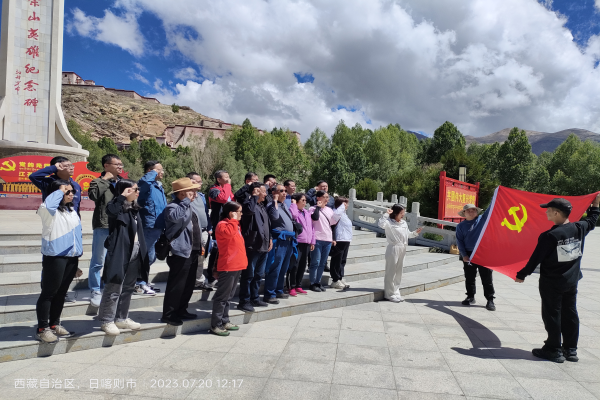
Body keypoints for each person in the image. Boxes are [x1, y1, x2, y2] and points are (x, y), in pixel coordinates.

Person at [516, 195, 600, 363]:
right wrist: (596, 205)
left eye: (548, 210)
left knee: (552, 314)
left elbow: (536, 258)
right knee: (570, 313)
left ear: (556, 213)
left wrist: (522, 274)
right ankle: (570, 349)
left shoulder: (550, 236)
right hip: (571, 281)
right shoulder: (579, 227)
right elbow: (591, 220)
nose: (546, 212)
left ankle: (553, 349)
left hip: (552, 283)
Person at [98, 179, 148, 335]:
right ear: (125, 191)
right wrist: (121, 197)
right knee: (113, 287)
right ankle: (107, 320)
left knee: (128, 288)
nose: (138, 192)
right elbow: (111, 211)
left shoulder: (134, 209)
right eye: (134, 189)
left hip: (135, 251)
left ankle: (121, 318)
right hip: (120, 252)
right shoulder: (117, 207)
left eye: (138, 189)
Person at [35, 180, 82, 343]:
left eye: (72, 191)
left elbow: (75, 236)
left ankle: (54, 324)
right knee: (49, 293)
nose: (71, 194)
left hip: (71, 257)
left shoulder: (71, 211)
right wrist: (60, 190)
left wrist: (76, 260)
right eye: (66, 191)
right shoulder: (48, 211)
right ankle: (42, 329)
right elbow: (49, 205)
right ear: (56, 193)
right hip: (55, 257)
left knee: (61, 293)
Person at [30, 157, 82, 304]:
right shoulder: (49, 182)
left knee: (69, 262)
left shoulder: (75, 185)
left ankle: (61, 293)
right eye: (66, 166)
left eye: (72, 165)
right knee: (52, 263)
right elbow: (33, 176)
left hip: (72, 226)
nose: (71, 167)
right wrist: (54, 168)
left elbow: (76, 208)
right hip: (55, 225)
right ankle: (48, 293)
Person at [161, 177, 202, 326]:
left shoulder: (190, 206)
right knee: (177, 285)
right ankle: (169, 314)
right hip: (180, 251)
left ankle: (182, 310)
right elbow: (175, 218)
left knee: (188, 284)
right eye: (192, 191)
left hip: (193, 250)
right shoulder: (172, 207)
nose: (195, 193)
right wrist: (185, 201)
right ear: (182, 193)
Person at [87, 154, 123, 307]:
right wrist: (104, 180)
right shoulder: (97, 182)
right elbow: (93, 196)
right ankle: (95, 290)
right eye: (117, 164)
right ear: (106, 166)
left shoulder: (122, 182)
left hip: (119, 225)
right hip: (103, 225)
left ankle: (110, 288)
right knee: (98, 261)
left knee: (114, 260)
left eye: (121, 164)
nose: (120, 166)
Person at [211, 201, 246, 336]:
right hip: (228, 265)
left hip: (237, 264)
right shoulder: (223, 225)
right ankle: (216, 324)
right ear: (232, 213)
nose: (241, 214)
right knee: (222, 296)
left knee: (229, 296)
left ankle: (225, 320)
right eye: (239, 211)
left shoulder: (234, 225)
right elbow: (229, 234)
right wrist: (233, 220)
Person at [238, 183, 272, 312]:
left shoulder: (262, 206)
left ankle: (255, 297)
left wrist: (270, 238)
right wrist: (253, 196)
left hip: (263, 245)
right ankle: (244, 301)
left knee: (258, 275)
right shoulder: (248, 203)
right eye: (263, 192)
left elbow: (267, 224)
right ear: (256, 191)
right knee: (248, 275)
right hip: (252, 245)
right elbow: (249, 211)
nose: (265, 194)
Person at [378, 204, 423, 302]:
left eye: (404, 212)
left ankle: (396, 292)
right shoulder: (389, 222)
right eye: (402, 213)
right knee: (391, 271)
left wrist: (415, 233)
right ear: (396, 213)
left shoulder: (403, 223)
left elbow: (408, 235)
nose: (403, 214)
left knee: (399, 272)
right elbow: (381, 224)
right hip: (393, 248)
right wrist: (386, 214)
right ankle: (389, 294)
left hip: (403, 247)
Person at [456, 204, 496, 311]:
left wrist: (497, 195)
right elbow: (459, 242)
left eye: (473, 210)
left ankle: (490, 299)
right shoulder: (460, 226)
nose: (471, 212)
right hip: (469, 254)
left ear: (477, 212)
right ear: (464, 213)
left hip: (484, 253)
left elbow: (491, 208)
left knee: (487, 277)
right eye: (468, 211)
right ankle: (470, 296)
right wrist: (464, 255)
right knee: (469, 277)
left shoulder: (482, 219)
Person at [137, 160, 168, 296]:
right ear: (150, 171)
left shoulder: (158, 186)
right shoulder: (146, 185)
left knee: (151, 257)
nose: (162, 172)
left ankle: (143, 281)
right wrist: (153, 173)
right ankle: (138, 283)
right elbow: (143, 182)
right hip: (150, 225)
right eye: (159, 170)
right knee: (145, 256)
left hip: (158, 225)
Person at [264, 184, 296, 303]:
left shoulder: (284, 205)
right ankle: (269, 293)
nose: (284, 193)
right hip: (279, 240)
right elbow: (275, 216)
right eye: (281, 191)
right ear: (274, 193)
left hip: (288, 240)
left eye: (285, 191)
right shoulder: (271, 205)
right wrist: (275, 201)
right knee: (275, 267)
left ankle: (278, 290)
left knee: (283, 267)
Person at [308, 190, 341, 292]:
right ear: (318, 198)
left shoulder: (329, 210)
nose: (327, 199)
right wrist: (318, 207)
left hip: (327, 239)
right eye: (325, 197)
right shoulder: (312, 209)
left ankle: (318, 282)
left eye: (328, 197)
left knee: (322, 263)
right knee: (315, 262)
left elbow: (333, 224)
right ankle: (312, 283)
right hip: (317, 238)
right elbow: (314, 218)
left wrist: (333, 238)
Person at [206, 170, 234, 287]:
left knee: (226, 251)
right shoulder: (214, 190)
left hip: (229, 224)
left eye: (228, 176)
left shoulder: (227, 189)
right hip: (218, 225)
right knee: (216, 251)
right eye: (225, 177)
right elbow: (223, 198)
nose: (228, 179)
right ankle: (211, 276)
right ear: (218, 179)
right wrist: (227, 185)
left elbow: (232, 201)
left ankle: (222, 275)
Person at [186, 172, 213, 291]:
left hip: (204, 231)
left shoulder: (201, 196)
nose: (201, 183)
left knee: (202, 257)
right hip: (192, 231)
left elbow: (206, 213)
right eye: (198, 181)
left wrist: (209, 227)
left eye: (201, 181)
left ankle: (198, 280)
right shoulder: (185, 196)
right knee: (192, 257)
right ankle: (189, 280)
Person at [288, 192, 314, 295]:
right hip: (297, 242)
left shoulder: (306, 212)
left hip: (306, 242)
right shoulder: (293, 210)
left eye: (305, 200)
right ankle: (291, 286)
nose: (304, 202)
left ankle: (298, 285)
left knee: (303, 265)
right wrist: (293, 204)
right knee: (295, 264)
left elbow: (311, 227)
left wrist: (312, 241)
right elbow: (293, 215)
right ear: (297, 201)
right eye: (302, 200)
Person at [330, 197, 352, 290]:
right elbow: (335, 216)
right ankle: (335, 280)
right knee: (337, 260)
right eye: (345, 204)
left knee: (342, 260)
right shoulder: (336, 212)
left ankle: (340, 277)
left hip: (346, 239)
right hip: (339, 239)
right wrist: (342, 206)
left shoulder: (344, 214)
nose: (346, 205)